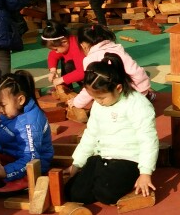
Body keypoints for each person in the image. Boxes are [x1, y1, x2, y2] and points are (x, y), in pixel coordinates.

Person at [66, 53, 158, 206]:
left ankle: (107, 181)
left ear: (118, 88)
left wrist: (145, 173)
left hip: (128, 159)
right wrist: (77, 164)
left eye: (102, 98)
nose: (98, 102)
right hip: (101, 157)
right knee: (74, 193)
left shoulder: (137, 104)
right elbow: (91, 134)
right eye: (94, 98)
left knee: (106, 194)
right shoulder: (98, 105)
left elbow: (148, 139)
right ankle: (98, 178)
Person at [0, 71, 54, 194]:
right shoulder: (8, 115)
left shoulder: (29, 123)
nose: (0, 109)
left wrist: (6, 172)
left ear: (20, 100)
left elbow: (32, 158)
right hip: (11, 157)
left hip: (32, 163)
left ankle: (21, 180)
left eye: (2, 105)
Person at [70, 23, 153, 112]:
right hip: (139, 93)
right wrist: (143, 91)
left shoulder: (90, 59)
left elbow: (91, 85)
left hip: (119, 98)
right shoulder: (117, 48)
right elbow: (137, 73)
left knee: (98, 105)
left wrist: (77, 102)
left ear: (83, 45)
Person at [44, 22, 86, 93]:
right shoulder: (66, 43)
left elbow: (82, 72)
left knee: (69, 65)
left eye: (56, 49)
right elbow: (53, 55)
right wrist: (53, 71)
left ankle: (87, 88)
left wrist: (62, 79)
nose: (56, 52)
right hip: (86, 70)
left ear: (64, 41)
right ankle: (67, 87)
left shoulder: (77, 47)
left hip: (94, 73)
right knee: (65, 59)